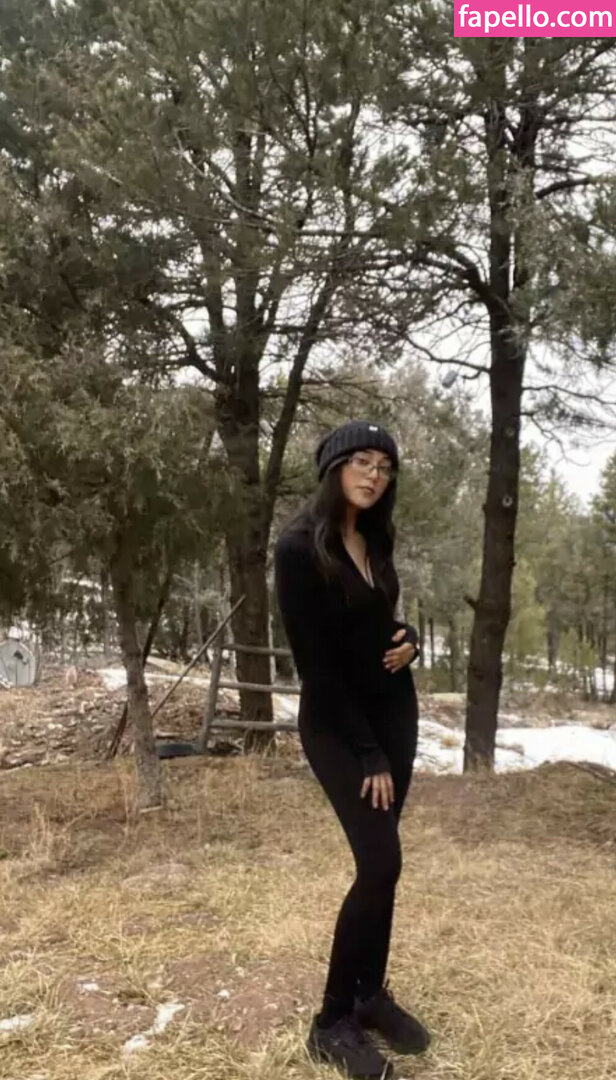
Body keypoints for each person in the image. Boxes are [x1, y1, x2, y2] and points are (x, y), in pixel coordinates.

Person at [274, 421, 430, 1080]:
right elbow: (318, 663)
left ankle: (370, 994)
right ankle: (331, 1021)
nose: (374, 475)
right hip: (339, 727)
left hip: (395, 714)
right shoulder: (298, 548)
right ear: (334, 467)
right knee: (379, 861)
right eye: (362, 461)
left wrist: (409, 638)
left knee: (384, 867)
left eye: (384, 467)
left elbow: (375, 622)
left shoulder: (375, 538)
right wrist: (367, 754)